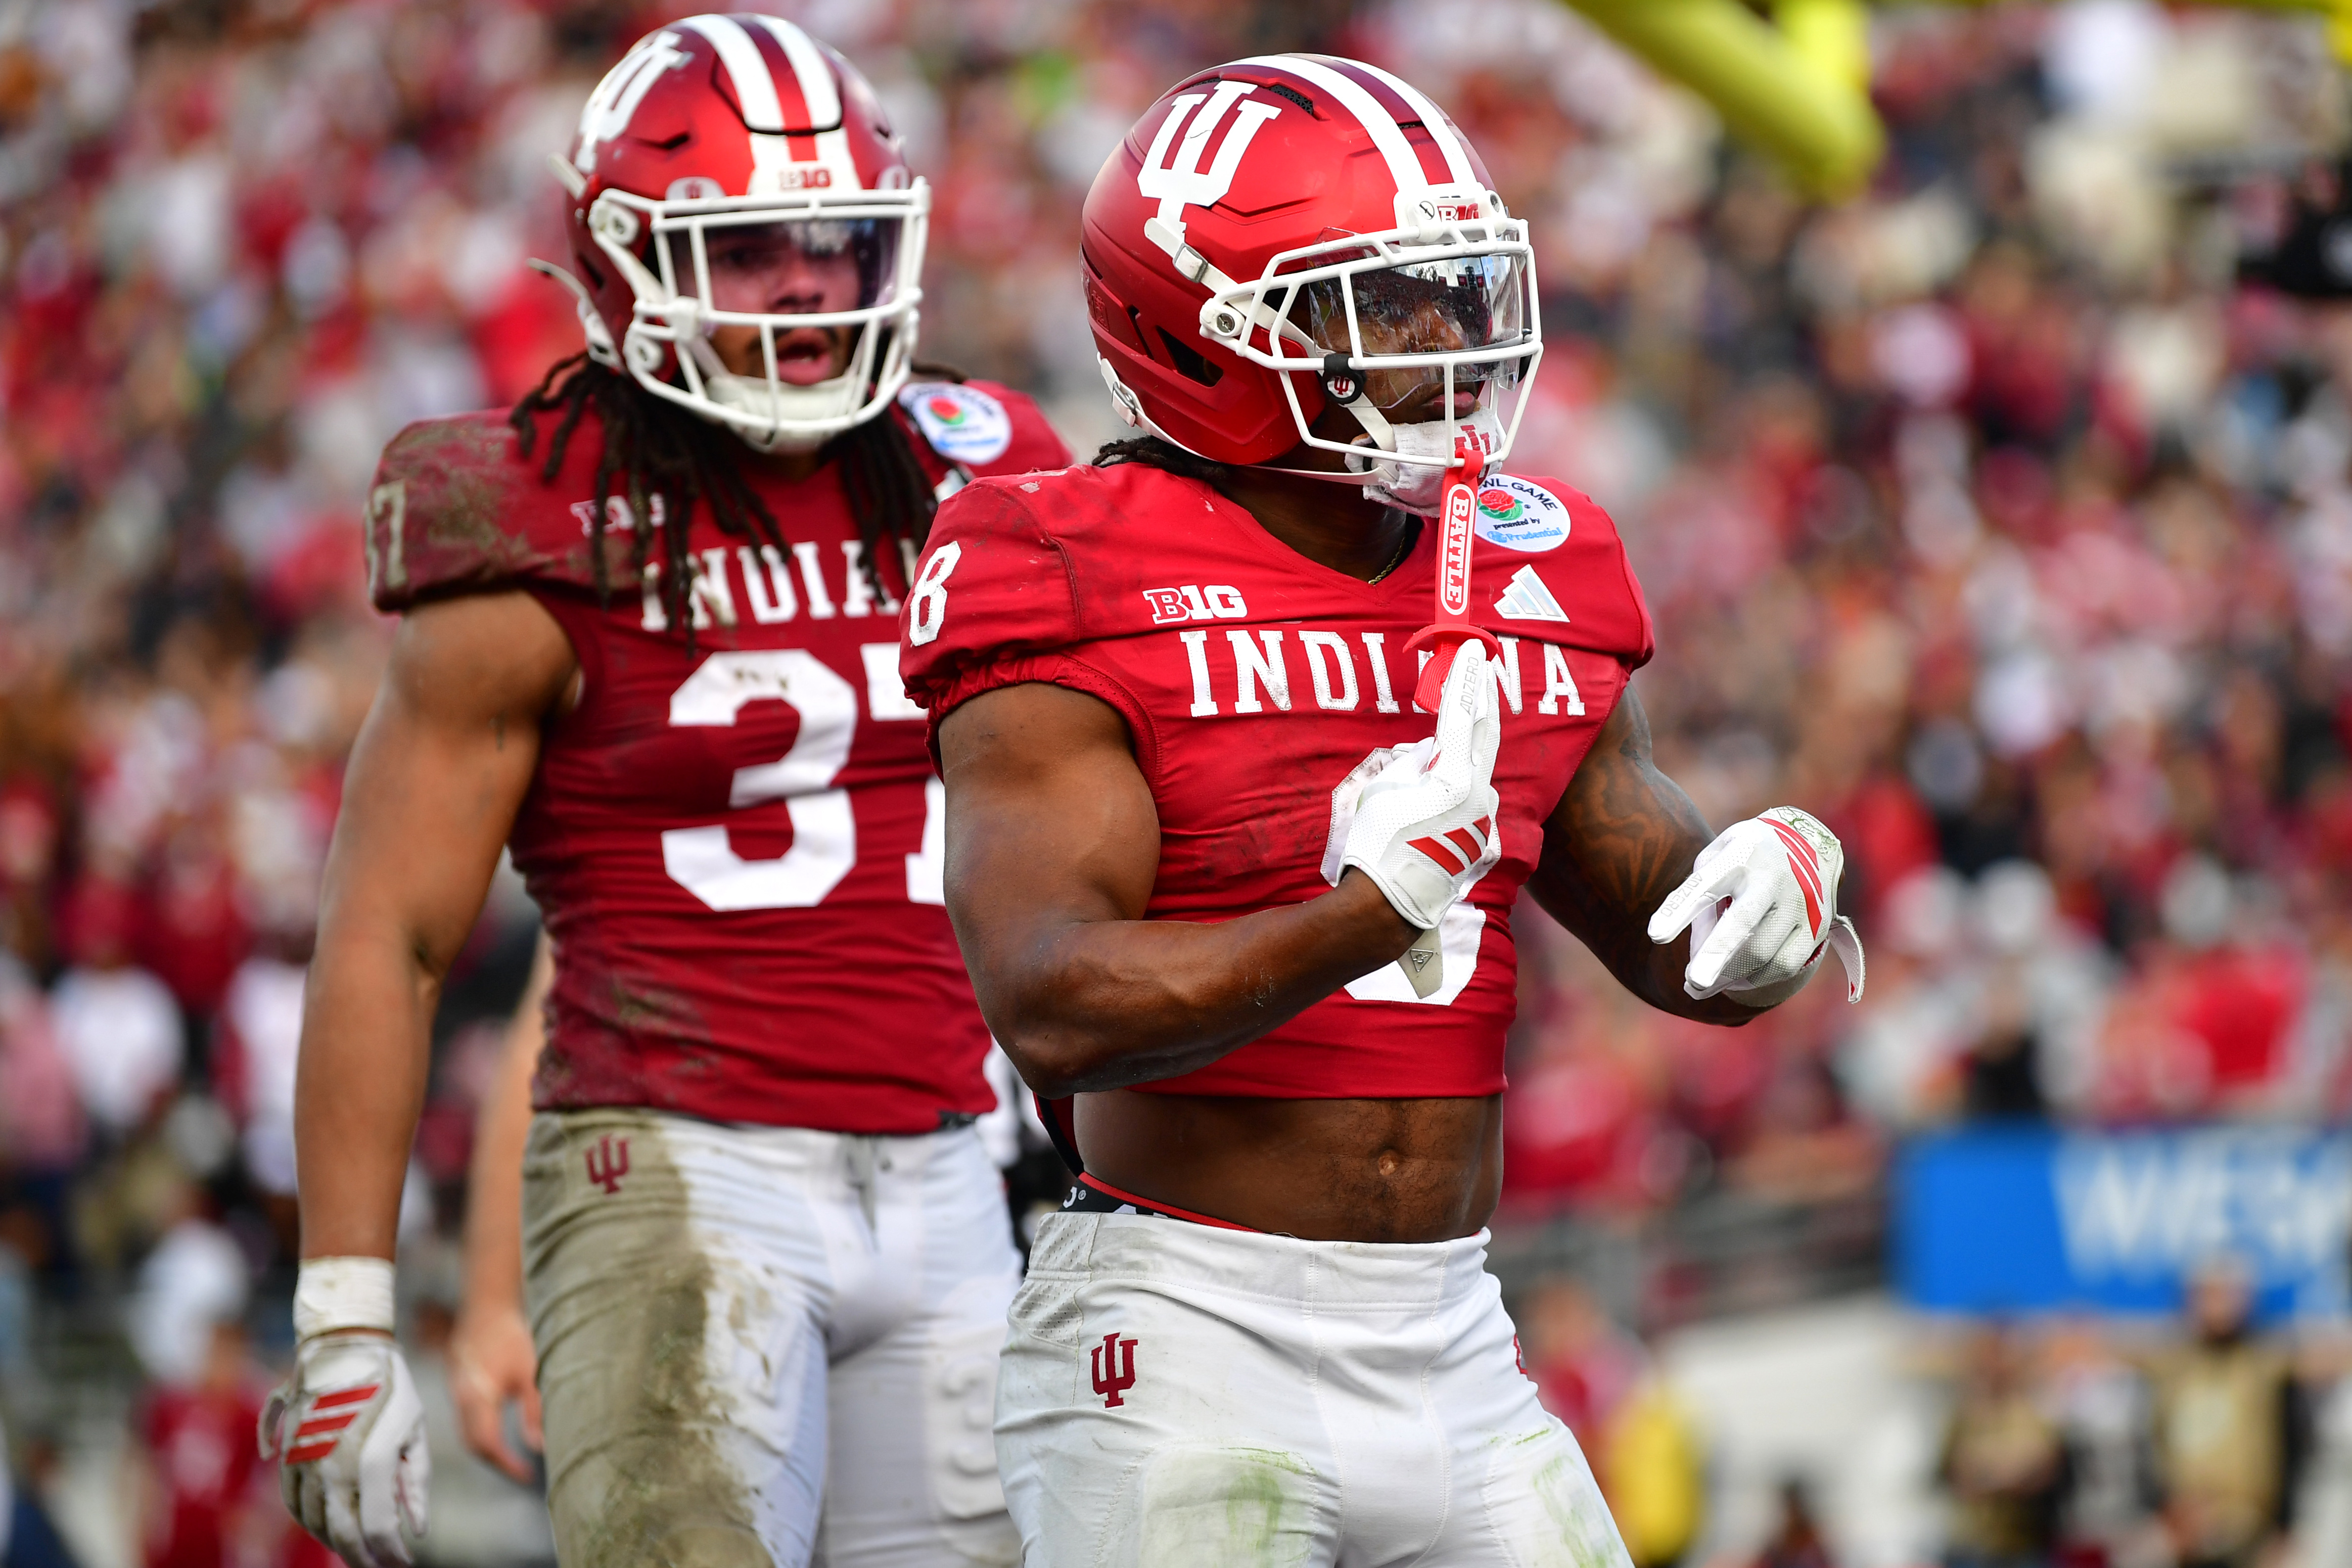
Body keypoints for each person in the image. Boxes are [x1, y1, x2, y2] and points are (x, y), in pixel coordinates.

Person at [899, 52, 1865, 1566]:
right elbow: (1053, 1000)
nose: (1446, 339)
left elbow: (1675, 937)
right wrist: (1365, 913)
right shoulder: (1065, 559)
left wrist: (1773, 892)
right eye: (1381, 303)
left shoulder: (1532, 554)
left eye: (1449, 288)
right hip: (1184, 1324)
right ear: (1200, 332)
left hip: (1459, 1328)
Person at [256, 16, 1070, 1568]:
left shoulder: (981, 473)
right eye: (754, 245)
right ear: (627, 263)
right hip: (677, 1165)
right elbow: (387, 936)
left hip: (955, 1161)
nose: (812, 287)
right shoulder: (538, 526)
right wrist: (350, 1312)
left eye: (839, 241)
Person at [2146, 1259, 2312, 1568]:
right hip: (2186, 1526)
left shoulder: (2269, 1367)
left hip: (2252, 1526)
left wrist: (2286, 1525)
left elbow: (2293, 1447)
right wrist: (2164, 1509)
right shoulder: (2172, 1368)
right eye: (2207, 1295)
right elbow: (2154, 1441)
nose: (2216, 1307)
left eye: (2226, 1295)